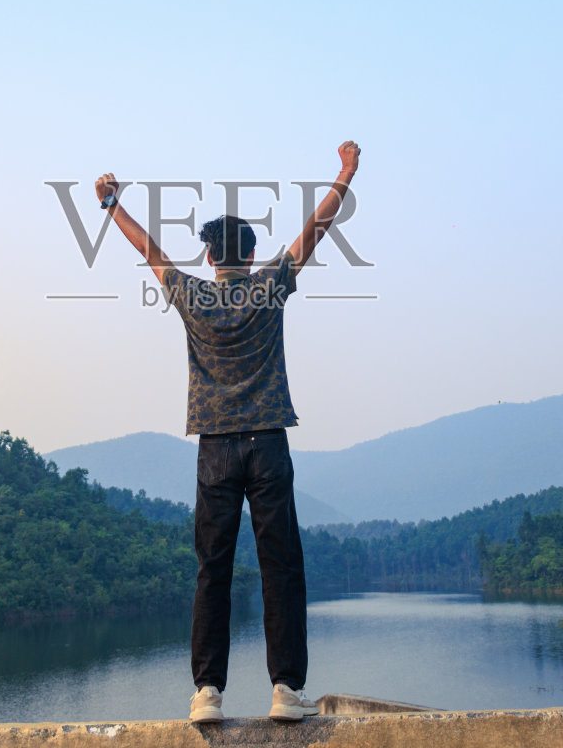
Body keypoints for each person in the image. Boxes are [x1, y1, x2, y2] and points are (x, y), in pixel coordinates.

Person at [93, 140, 362, 723]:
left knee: (212, 570)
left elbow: (151, 251)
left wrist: (112, 205)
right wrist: (344, 174)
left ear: (210, 257)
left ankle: (207, 693)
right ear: (252, 251)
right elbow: (315, 231)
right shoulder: (268, 287)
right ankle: (286, 691)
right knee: (281, 567)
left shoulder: (192, 296)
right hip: (267, 441)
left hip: (214, 448)